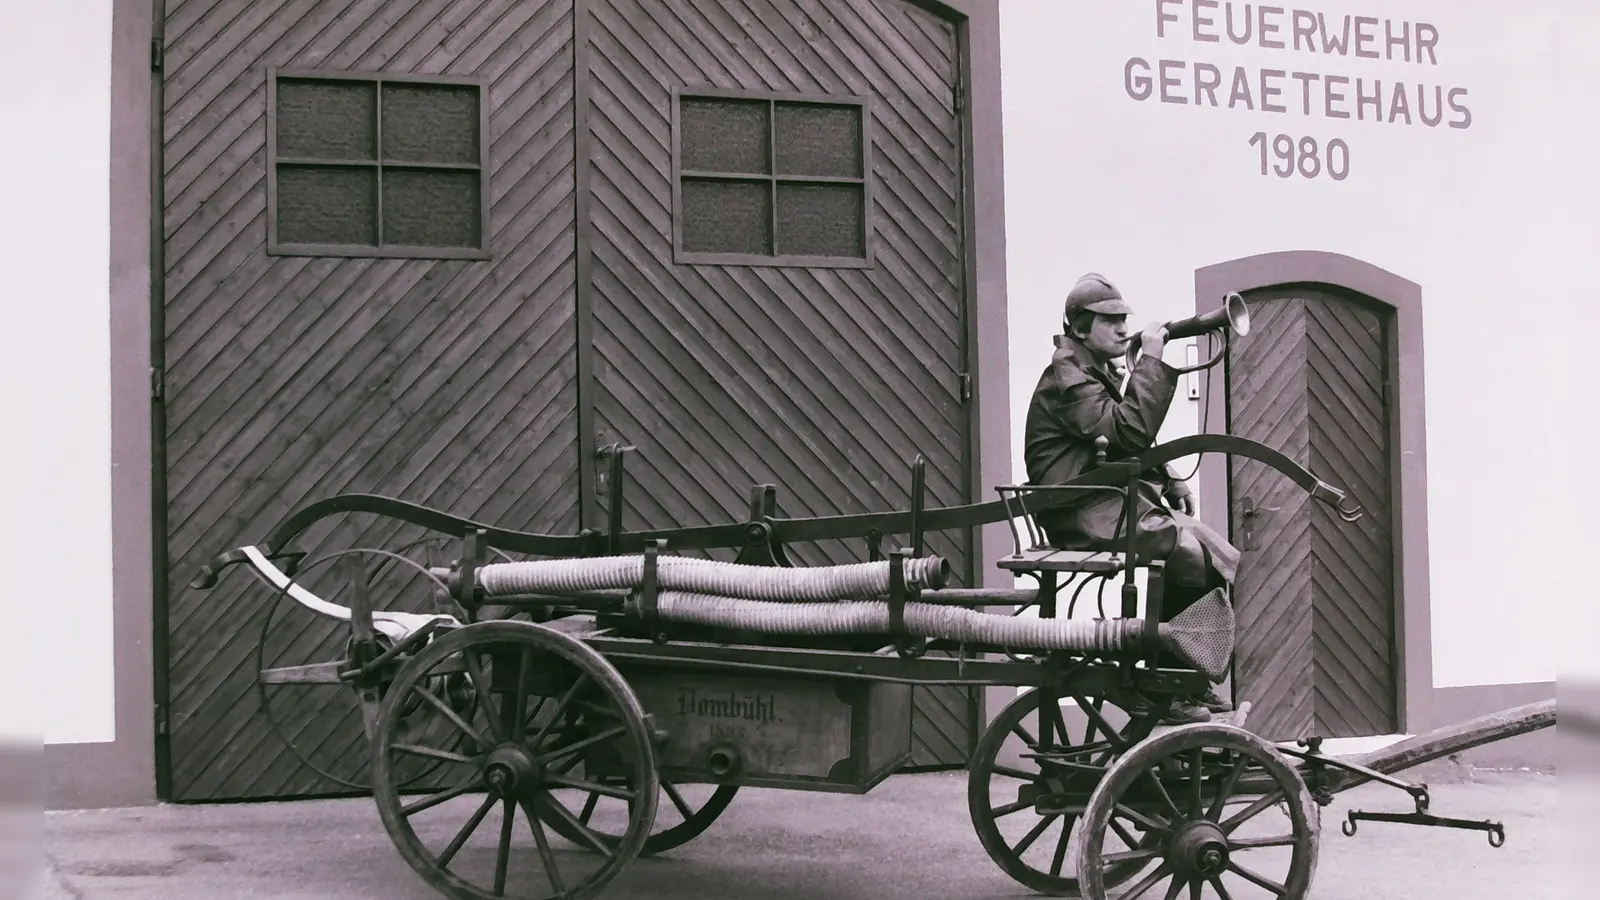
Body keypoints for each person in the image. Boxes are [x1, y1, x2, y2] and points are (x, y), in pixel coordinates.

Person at [1023, 272, 1239, 725]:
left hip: (1101, 500)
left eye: (1125, 320)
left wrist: (1172, 474)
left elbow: (1123, 443)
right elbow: (1126, 430)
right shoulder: (1067, 377)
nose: (1124, 329)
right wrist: (1153, 362)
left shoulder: (1090, 370)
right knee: (1185, 552)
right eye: (1110, 321)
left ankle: (1187, 678)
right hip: (1076, 509)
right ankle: (1171, 684)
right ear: (1080, 327)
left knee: (1213, 551)